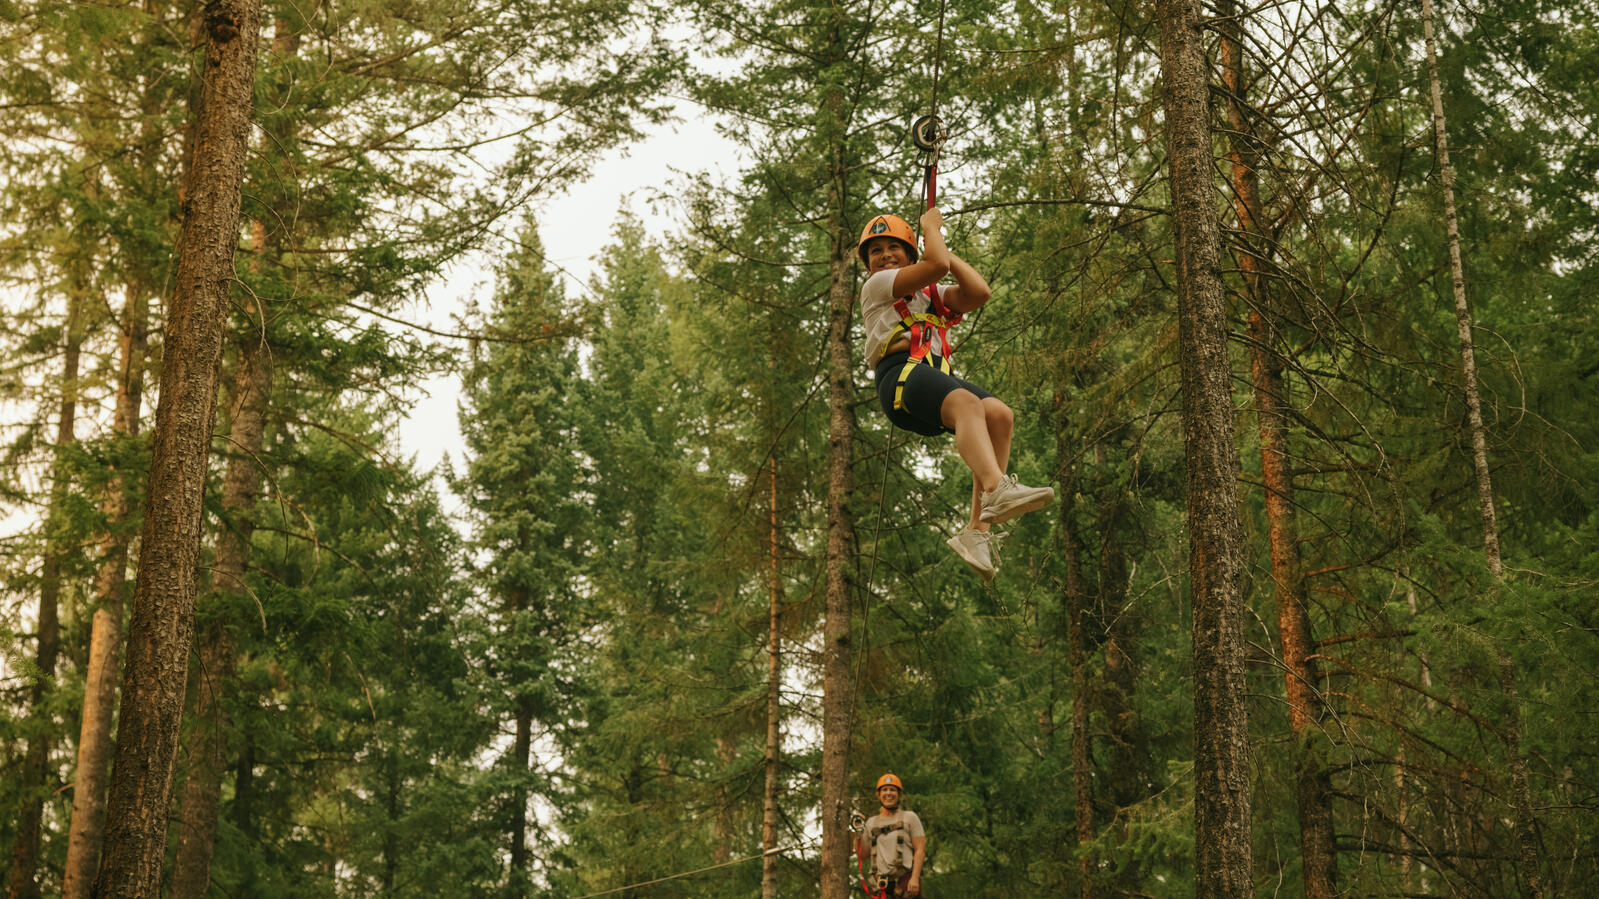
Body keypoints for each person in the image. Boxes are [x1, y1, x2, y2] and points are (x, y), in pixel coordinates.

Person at [858, 207, 1054, 580]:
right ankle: (995, 488)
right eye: (875, 251)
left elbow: (979, 292)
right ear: (868, 264)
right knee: (967, 403)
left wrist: (941, 249)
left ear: (910, 254)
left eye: (894, 248)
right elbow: (935, 265)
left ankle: (977, 531)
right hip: (899, 377)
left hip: (931, 376)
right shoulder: (877, 286)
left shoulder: (930, 294)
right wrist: (930, 230)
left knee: (999, 415)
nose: (884, 256)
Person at [856, 773, 926, 898]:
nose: (888, 793)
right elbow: (863, 855)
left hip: (905, 882)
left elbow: (920, 849)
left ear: (899, 794)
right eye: (884, 790)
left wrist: (915, 878)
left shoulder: (909, 817)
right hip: (881, 885)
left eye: (892, 789)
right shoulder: (871, 823)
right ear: (879, 795)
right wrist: (858, 830)